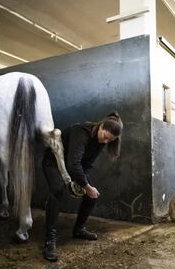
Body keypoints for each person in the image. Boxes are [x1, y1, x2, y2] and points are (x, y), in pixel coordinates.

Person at [42, 112, 123, 262]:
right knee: (57, 189)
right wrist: (85, 185)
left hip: (73, 166)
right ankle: (50, 240)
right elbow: (74, 164)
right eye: (105, 136)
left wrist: (83, 184)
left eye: (110, 140)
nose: (105, 142)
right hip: (53, 163)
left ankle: (79, 229)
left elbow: (86, 165)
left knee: (92, 194)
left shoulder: (101, 142)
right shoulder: (81, 132)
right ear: (101, 126)